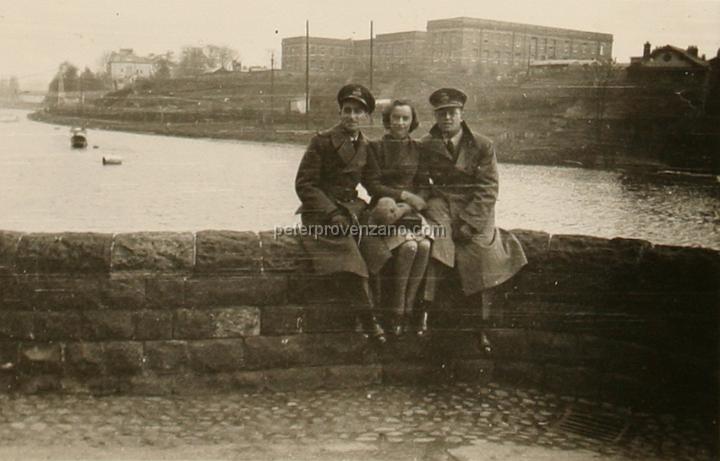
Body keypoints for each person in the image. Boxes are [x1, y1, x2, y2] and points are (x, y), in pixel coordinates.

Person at [419, 88, 527, 330]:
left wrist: (469, 222)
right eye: (441, 113)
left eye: (452, 113)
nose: (447, 118)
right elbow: (421, 182)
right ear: (435, 117)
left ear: (461, 115)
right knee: (438, 245)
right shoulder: (425, 145)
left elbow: (488, 187)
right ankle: (425, 312)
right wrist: (420, 203)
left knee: (480, 251)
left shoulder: (482, 145)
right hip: (442, 203)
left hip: (475, 205)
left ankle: (482, 322)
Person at [294, 83, 385, 342]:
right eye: (347, 110)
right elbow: (305, 184)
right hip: (322, 213)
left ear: (366, 117)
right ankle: (369, 321)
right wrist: (332, 213)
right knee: (349, 257)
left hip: (352, 211)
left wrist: (399, 201)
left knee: (379, 249)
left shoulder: (366, 146)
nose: (352, 117)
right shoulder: (322, 141)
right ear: (340, 112)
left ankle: (386, 314)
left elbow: (373, 184)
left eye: (358, 112)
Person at [360, 100, 437, 336]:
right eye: (396, 118)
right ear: (388, 120)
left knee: (424, 245)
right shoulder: (375, 147)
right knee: (412, 246)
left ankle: (408, 307)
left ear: (412, 122)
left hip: (410, 211)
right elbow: (372, 185)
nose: (400, 123)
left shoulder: (418, 148)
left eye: (405, 118)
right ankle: (397, 308)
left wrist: (411, 204)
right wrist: (402, 196)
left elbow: (424, 185)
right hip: (386, 210)